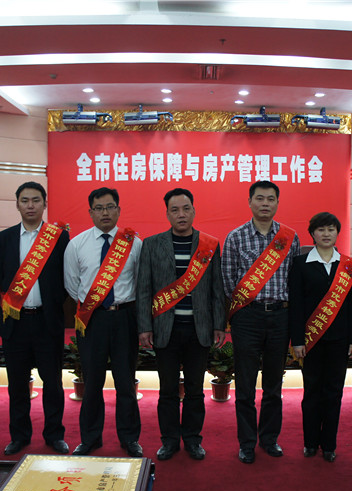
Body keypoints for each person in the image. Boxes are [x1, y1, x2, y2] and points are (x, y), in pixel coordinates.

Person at [136, 188, 226, 461]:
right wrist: (144, 327)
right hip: (166, 330)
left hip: (199, 329)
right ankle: (169, 440)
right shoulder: (152, 245)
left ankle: (193, 440)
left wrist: (219, 324)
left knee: (196, 390)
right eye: (175, 210)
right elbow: (144, 289)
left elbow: (217, 288)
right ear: (167, 214)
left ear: (194, 211)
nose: (181, 214)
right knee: (167, 390)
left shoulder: (209, 245)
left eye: (186, 209)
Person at [222, 180, 301, 464]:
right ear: (250, 202)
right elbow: (228, 281)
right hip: (248, 317)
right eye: (259, 198)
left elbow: (294, 280)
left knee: (273, 385)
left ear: (277, 203)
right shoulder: (236, 237)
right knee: (244, 385)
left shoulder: (290, 238)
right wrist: (242, 311)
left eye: (270, 199)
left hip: (280, 316)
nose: (265, 203)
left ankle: (269, 439)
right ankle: (246, 443)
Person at [64, 187, 144, 458]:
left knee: (126, 382)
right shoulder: (77, 244)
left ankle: (130, 438)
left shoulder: (134, 243)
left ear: (118, 210)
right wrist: (93, 305)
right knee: (92, 382)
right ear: (90, 212)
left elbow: (140, 282)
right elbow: (72, 285)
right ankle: (90, 438)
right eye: (99, 208)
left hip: (125, 317)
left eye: (110, 207)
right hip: (92, 319)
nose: (105, 213)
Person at [0, 182, 69, 456]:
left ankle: (54, 434)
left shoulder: (58, 238)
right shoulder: (3, 239)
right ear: (17, 204)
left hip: (47, 322)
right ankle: (20, 436)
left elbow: (66, 278)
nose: (30, 205)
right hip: (16, 323)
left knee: (53, 384)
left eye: (36, 200)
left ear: (44, 204)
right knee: (17, 385)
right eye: (24, 200)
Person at [289, 212, 352, 463]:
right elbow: (296, 305)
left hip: (340, 341)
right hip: (311, 341)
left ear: (337, 233)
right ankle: (310, 443)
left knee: (334, 393)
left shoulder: (349, 266)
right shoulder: (300, 264)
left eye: (331, 229)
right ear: (313, 234)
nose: (326, 234)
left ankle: (329, 444)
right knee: (311, 393)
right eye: (321, 229)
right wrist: (297, 340)